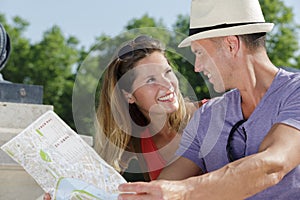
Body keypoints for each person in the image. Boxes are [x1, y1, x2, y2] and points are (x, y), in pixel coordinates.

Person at [118, 0, 300, 199]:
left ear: (231, 45)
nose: (197, 66)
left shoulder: (295, 92)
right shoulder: (206, 117)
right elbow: (166, 185)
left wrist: (185, 192)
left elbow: (273, 165)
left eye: (199, 53)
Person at [44, 35, 204, 200]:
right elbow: (97, 185)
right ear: (129, 96)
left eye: (167, 72)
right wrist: (64, 193)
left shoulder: (211, 113)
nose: (167, 84)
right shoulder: (137, 139)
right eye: (150, 79)